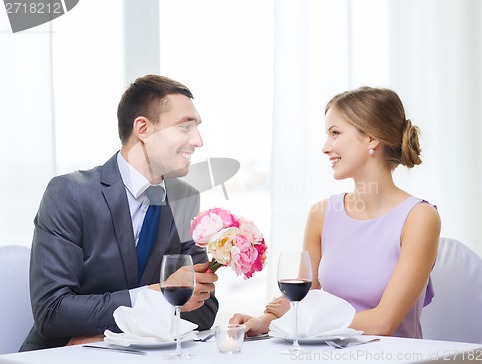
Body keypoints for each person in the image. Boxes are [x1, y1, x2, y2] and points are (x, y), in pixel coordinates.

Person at [20, 75, 219, 351]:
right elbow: (53, 311)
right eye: (185, 126)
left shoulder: (185, 198)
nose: (198, 140)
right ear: (143, 129)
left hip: (137, 354)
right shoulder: (69, 194)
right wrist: (155, 296)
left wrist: (112, 337)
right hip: (63, 355)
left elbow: (204, 309)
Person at [230, 86, 441, 339]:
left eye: (335, 133)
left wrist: (305, 319)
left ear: (372, 138)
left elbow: (383, 322)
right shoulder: (322, 214)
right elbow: (300, 303)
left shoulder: (419, 218)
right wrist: (264, 321)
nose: (325, 147)